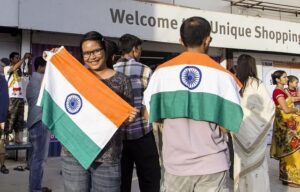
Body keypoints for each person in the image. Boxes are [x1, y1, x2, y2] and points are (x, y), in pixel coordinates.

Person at [143, 17, 243, 192]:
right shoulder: (224, 76)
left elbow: (148, 115)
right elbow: (230, 125)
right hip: (213, 164)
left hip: (176, 166)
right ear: (208, 40)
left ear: (180, 40)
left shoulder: (161, 73)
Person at [61, 31, 138, 192]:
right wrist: (56, 59)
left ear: (104, 49)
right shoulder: (75, 77)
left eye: (96, 51)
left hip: (107, 157)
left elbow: (126, 116)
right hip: (74, 153)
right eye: (87, 53)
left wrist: (129, 118)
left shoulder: (122, 81)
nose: (92, 57)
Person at [114, 34, 161, 192]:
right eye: (139, 49)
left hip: (118, 138)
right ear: (134, 50)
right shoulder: (146, 70)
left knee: (121, 182)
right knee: (150, 181)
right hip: (142, 135)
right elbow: (151, 103)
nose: (140, 53)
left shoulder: (111, 71)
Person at [233, 54, 274, 192]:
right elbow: (269, 107)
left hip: (239, 132)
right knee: (257, 168)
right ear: (252, 66)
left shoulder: (233, 83)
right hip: (256, 133)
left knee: (241, 164)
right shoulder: (257, 84)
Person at [270, 70, 300, 188]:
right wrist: (297, 110)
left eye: (287, 77)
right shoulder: (277, 91)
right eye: (284, 77)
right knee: (290, 150)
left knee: (293, 150)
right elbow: (286, 109)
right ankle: (290, 179)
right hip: (284, 125)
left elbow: (292, 100)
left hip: (290, 124)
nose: (286, 79)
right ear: (277, 79)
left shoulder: (283, 90)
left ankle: (289, 177)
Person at [26, 56, 52, 192]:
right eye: (47, 66)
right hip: (40, 121)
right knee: (40, 159)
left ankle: (34, 187)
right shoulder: (42, 79)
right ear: (41, 67)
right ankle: (35, 189)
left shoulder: (32, 80)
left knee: (36, 158)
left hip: (34, 122)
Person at [3, 52, 31, 144]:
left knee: (20, 119)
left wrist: (29, 61)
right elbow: (13, 69)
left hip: (21, 97)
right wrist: (23, 58)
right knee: (10, 118)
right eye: (16, 58)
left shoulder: (20, 70)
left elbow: (29, 73)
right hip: (12, 97)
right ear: (11, 59)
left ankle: (17, 137)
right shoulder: (7, 68)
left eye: (19, 58)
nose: (18, 59)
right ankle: (6, 137)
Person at [0, 74, 9, 174]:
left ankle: (2, 165)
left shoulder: (2, 80)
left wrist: (2, 118)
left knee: (1, 142)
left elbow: (4, 99)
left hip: (0, 117)